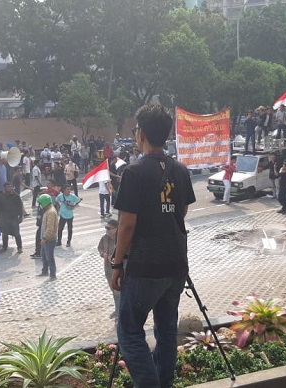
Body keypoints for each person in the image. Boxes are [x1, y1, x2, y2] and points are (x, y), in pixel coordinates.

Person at [110, 104, 196, 388]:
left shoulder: (134, 174)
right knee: (167, 331)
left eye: (136, 130)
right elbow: (180, 212)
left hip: (145, 266)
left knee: (129, 331)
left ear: (141, 134)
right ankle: (164, 383)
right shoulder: (180, 170)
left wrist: (116, 262)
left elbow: (127, 225)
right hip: (176, 265)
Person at [98, 219, 120, 319]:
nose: (107, 230)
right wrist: (103, 254)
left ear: (116, 229)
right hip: (108, 269)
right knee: (114, 292)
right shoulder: (105, 238)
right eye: (106, 228)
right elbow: (100, 247)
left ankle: (120, 315)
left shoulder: (120, 239)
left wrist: (113, 257)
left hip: (118, 271)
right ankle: (117, 309)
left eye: (109, 228)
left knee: (118, 292)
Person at [0, 183, 24, 254]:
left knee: (17, 234)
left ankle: (19, 247)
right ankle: (4, 247)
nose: (10, 188)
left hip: (14, 218)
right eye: (8, 187)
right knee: (5, 234)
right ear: (4, 188)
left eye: (11, 187)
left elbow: (20, 206)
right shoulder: (0, 197)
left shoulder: (15, 196)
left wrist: (21, 216)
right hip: (4, 218)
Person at [38, 194, 58, 279]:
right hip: (45, 238)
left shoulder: (51, 212)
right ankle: (44, 271)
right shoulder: (48, 210)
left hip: (49, 239)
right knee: (44, 255)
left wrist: (45, 238)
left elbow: (50, 227)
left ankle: (53, 275)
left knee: (49, 257)